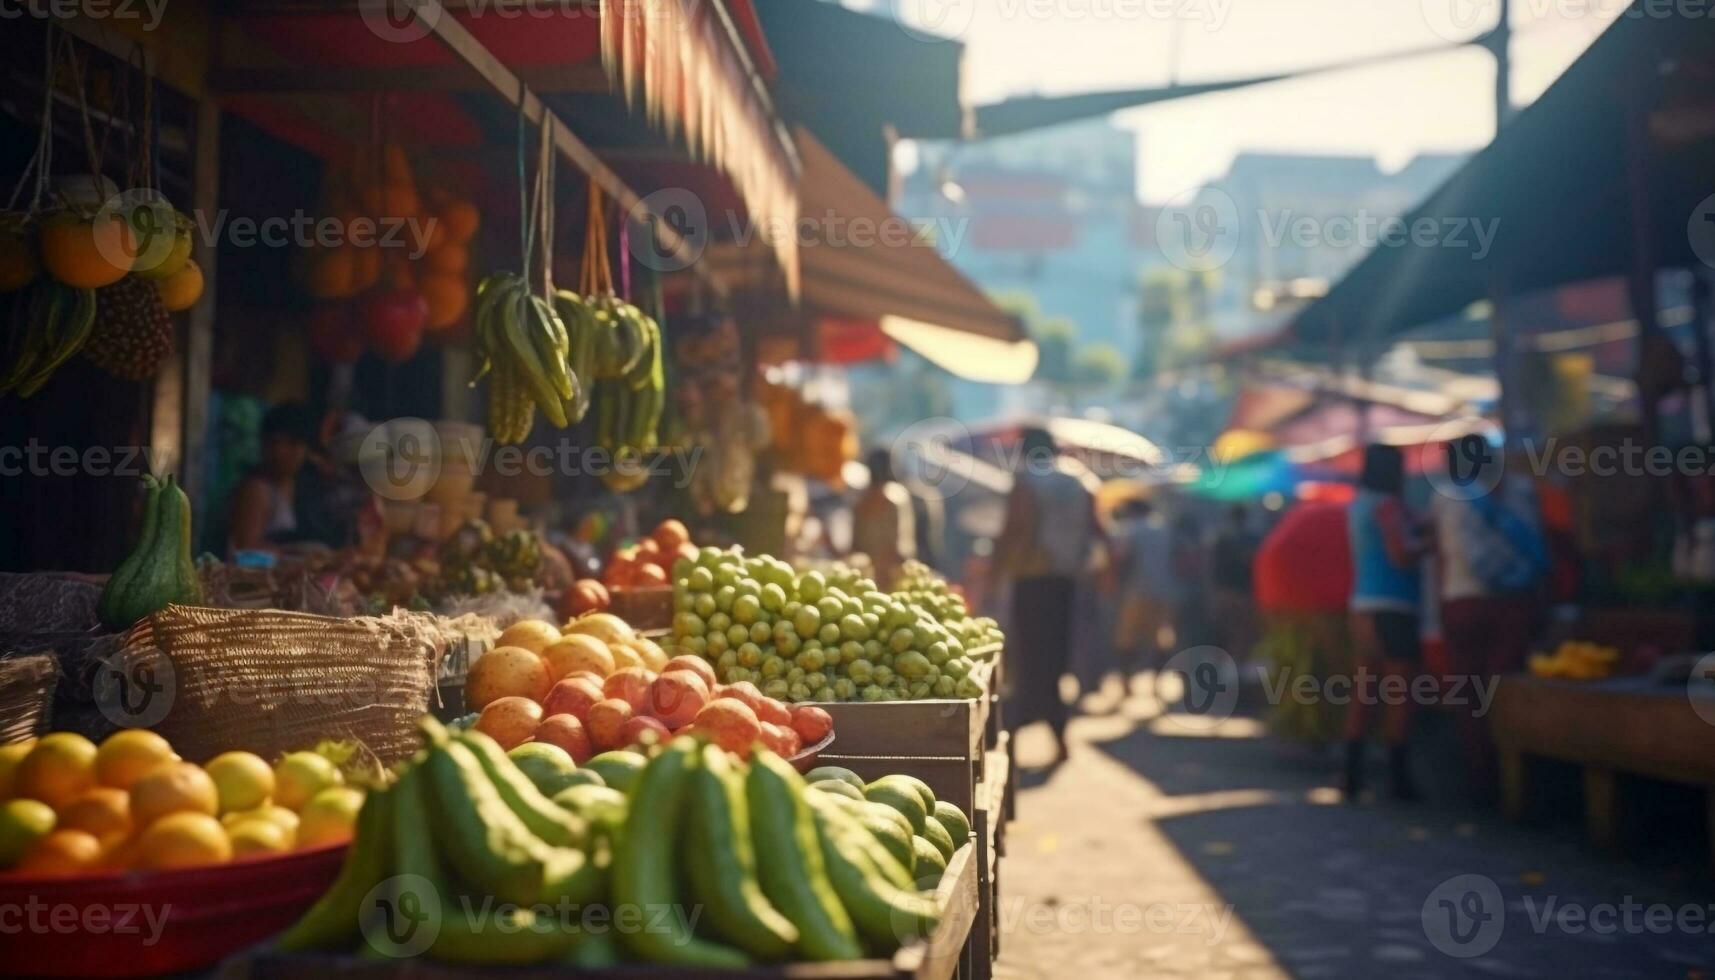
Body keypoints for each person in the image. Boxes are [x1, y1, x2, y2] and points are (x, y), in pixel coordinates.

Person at [1432, 436, 1546, 800]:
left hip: (1463, 604)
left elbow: (1452, 555)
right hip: (1509, 605)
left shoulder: (1449, 495)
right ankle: (1516, 778)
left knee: (1472, 698)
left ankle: (1483, 780)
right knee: (1506, 689)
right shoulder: (1515, 491)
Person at [993, 427, 1106, 764]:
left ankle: (1012, 739)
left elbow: (1016, 527)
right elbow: (1097, 530)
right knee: (1057, 659)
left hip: (1031, 579)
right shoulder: (1081, 480)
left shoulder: (1027, 480)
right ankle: (1060, 736)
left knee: (1026, 659)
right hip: (1068, 581)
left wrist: (996, 569)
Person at [1343, 443, 1428, 802]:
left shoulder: (1357, 505)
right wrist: (1433, 545)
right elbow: (1400, 554)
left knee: (1365, 693)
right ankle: (1398, 779)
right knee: (1399, 695)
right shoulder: (1388, 506)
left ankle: (1351, 776)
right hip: (1394, 607)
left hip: (1362, 605)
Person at [228, 403, 336, 553]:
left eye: (293, 444)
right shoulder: (257, 489)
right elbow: (245, 550)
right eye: (275, 442)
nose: (281, 451)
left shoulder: (302, 486)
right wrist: (296, 552)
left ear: (306, 450)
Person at [1113, 496, 1179, 678]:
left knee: (1127, 640)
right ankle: (1157, 683)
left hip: (1136, 591)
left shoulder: (1129, 530)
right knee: (1159, 640)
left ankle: (1126, 682)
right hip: (1165, 590)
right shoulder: (1165, 529)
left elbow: (1122, 558)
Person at [851, 448, 917, 588]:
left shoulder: (895, 497)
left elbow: (900, 544)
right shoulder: (863, 500)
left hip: (891, 572)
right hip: (867, 571)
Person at [1209, 504, 1259, 658]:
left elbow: (1213, 567)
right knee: (1243, 633)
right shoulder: (1252, 539)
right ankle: (1239, 665)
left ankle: (1231, 664)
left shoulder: (1221, 539)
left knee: (1227, 631)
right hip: (1245, 593)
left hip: (1226, 592)